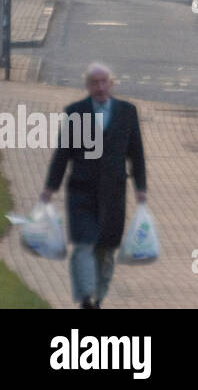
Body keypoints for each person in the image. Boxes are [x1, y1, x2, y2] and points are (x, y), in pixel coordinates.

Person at [41, 63, 147, 309]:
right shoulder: (76, 113)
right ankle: (86, 296)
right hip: (81, 191)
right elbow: (63, 153)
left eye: (103, 82)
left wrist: (141, 187)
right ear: (87, 86)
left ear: (111, 83)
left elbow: (136, 153)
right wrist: (50, 187)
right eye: (94, 83)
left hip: (113, 193)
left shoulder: (127, 112)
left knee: (106, 250)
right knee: (83, 244)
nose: (99, 87)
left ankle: (98, 297)